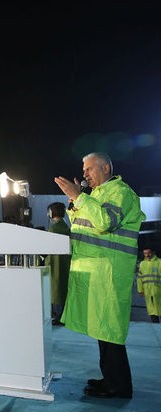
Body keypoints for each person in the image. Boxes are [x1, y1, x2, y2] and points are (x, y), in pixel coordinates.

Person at [55, 152, 145, 399]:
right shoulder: (96, 195)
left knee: (111, 331)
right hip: (98, 271)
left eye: (89, 169)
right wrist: (76, 203)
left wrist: (79, 197)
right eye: (83, 170)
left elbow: (105, 221)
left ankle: (119, 386)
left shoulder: (121, 193)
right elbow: (84, 223)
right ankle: (110, 379)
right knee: (103, 329)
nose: (84, 174)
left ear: (105, 168)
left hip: (110, 272)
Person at [45, 202, 71, 325]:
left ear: (51, 213)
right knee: (61, 288)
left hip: (55, 262)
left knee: (55, 290)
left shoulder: (53, 228)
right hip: (64, 262)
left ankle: (58, 315)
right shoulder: (65, 227)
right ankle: (62, 315)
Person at [137, 247, 161, 323]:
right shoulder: (142, 264)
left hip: (158, 290)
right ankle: (156, 326)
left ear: (153, 252)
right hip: (148, 291)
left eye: (149, 253)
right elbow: (139, 278)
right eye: (145, 253)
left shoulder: (159, 262)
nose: (147, 255)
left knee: (158, 308)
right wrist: (140, 290)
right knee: (152, 310)